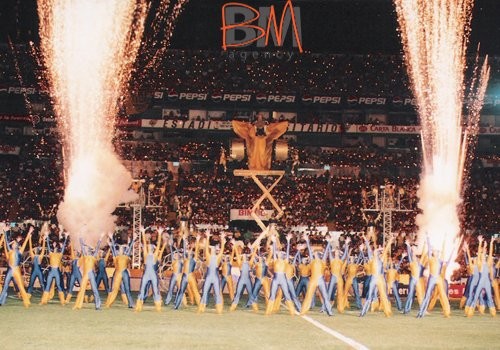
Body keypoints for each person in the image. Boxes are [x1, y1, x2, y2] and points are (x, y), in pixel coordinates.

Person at [299, 234, 333, 316]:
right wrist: (307, 241)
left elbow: (325, 252)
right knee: (309, 295)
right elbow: (310, 252)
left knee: (325, 296)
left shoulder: (323, 261)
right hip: (314, 280)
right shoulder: (312, 261)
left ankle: (329, 311)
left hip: (320, 280)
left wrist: (328, 243)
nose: (315, 254)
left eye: (317, 253)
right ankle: (304, 310)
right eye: (315, 253)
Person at [0, 225, 33, 307]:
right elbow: (7, 242)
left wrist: (29, 233)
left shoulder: (20, 251)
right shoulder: (10, 251)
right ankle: (1, 301)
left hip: (17, 270)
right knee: (5, 285)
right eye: (13, 243)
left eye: (14, 243)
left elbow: (25, 243)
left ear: (17, 245)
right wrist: (5, 231)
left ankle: (26, 302)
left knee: (21, 286)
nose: (13, 244)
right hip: (10, 269)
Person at [136, 229, 166, 312]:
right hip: (146, 274)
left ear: (153, 249)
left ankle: (158, 307)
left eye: (150, 246)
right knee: (141, 289)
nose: (149, 247)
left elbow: (159, 244)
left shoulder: (155, 255)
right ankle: (138, 307)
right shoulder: (146, 254)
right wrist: (142, 232)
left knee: (155, 290)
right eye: (148, 246)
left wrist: (159, 234)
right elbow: (145, 244)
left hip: (152, 274)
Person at [73, 236, 105, 310]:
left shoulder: (93, 256)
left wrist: (100, 239)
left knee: (94, 289)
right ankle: (78, 304)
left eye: (90, 250)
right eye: (89, 250)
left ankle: (98, 305)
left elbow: (97, 248)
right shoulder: (85, 255)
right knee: (82, 289)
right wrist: (80, 237)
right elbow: (82, 247)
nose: (89, 251)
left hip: (91, 274)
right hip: (86, 274)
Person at [198, 231, 226, 313]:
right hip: (214, 277)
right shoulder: (213, 258)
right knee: (209, 293)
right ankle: (203, 308)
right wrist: (222, 240)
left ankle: (216, 309)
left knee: (212, 293)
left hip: (210, 277)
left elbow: (220, 250)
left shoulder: (213, 258)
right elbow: (220, 250)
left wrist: (207, 238)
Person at [105, 236, 135, 308]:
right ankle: (109, 303)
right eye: (120, 249)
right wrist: (111, 239)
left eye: (122, 248)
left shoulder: (126, 255)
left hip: (124, 272)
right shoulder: (116, 256)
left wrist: (133, 240)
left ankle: (130, 303)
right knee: (114, 289)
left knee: (127, 289)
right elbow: (113, 249)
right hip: (118, 272)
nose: (121, 250)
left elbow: (130, 247)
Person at [40, 231, 68, 305]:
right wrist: (47, 236)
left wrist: (66, 237)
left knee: (58, 285)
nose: (54, 247)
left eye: (56, 246)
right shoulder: (51, 253)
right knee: (48, 285)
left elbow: (64, 246)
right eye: (54, 246)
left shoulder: (60, 254)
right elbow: (48, 246)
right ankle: (44, 301)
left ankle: (62, 301)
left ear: (58, 248)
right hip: (51, 271)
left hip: (56, 271)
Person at [26, 230, 46, 298]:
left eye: (37, 249)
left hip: (37, 271)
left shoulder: (38, 255)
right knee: (31, 284)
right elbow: (31, 247)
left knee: (42, 284)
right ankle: (28, 295)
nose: (36, 249)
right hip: (36, 271)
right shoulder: (34, 255)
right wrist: (29, 239)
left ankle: (44, 296)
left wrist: (44, 240)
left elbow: (42, 248)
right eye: (35, 249)